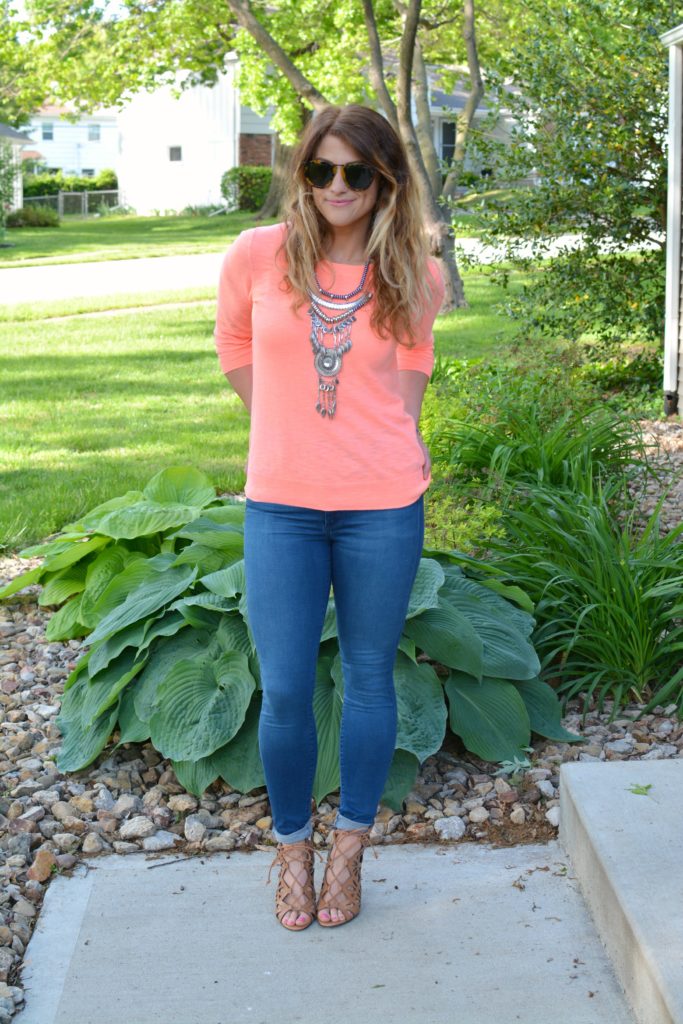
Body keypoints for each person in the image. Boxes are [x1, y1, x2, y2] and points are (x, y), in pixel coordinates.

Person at [214, 103, 445, 931]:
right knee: (282, 688)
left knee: (369, 678)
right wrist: (286, 432)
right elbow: (235, 349)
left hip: (381, 505)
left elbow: (411, 368)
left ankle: (350, 848)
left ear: (385, 179)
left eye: (356, 172)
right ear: (302, 173)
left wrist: (386, 445)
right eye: (321, 170)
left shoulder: (415, 272)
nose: (337, 187)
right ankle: (291, 854)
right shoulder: (257, 255)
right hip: (280, 504)